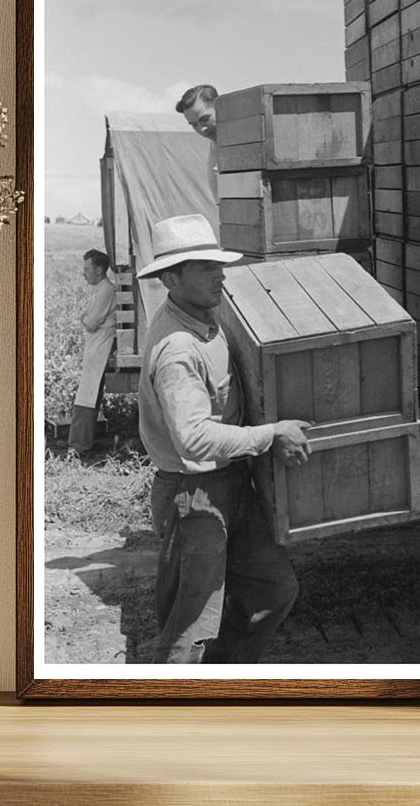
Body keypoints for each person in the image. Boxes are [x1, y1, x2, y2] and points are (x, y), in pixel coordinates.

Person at [137, 213, 311, 663]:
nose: (220, 274)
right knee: (190, 626)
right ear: (171, 278)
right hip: (193, 495)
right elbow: (193, 439)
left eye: (219, 264)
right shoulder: (177, 349)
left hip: (229, 485)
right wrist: (271, 434)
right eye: (205, 267)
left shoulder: (205, 317)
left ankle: (218, 679)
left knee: (273, 589)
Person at [67, 249, 117, 458]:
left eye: (87, 268)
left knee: (87, 396)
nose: (83, 273)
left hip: (100, 349)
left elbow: (91, 322)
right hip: (95, 349)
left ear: (98, 269)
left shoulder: (106, 290)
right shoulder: (101, 289)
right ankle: (81, 444)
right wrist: (86, 319)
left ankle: (78, 446)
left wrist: (85, 318)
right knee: (88, 395)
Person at [175, 83, 219, 203]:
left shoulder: (244, 141)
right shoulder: (215, 147)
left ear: (219, 107)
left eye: (205, 119)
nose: (202, 129)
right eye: (194, 125)